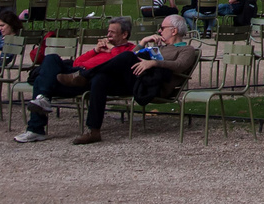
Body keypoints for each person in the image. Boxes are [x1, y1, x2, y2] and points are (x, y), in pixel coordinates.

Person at [68, 15, 199, 145]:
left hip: (154, 87)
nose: (159, 31)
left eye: (162, 28)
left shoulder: (186, 50)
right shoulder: (159, 47)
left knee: (126, 56)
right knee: (100, 79)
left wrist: (153, 63)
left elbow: (180, 65)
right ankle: (94, 131)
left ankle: (85, 75)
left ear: (174, 31)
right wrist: (143, 42)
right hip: (139, 81)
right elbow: (134, 55)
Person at [16, 17, 137, 142]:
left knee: (39, 81)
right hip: (73, 76)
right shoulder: (102, 48)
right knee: (52, 58)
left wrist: (112, 48)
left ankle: (35, 128)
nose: (108, 35)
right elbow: (77, 63)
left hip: (90, 80)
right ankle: (43, 100)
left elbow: (122, 60)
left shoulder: (130, 49)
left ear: (124, 34)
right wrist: (95, 50)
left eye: (112, 32)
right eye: (108, 31)